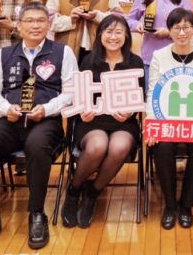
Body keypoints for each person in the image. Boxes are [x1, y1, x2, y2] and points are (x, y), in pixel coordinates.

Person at [0, 3, 78, 254]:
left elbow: (71, 91)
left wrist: (46, 109)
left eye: (40, 20)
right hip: (10, 120)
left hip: (46, 121)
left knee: (37, 146)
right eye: (29, 21)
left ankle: (37, 213)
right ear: (19, 25)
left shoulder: (63, 52)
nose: (35, 25)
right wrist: (6, 108)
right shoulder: (4, 54)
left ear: (48, 24)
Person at [61, 15, 145, 228]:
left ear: (126, 36)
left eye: (118, 32)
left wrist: (130, 111)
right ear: (100, 35)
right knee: (98, 145)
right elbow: (80, 94)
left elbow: (141, 96)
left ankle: (92, 192)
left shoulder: (135, 62)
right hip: (92, 121)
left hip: (123, 122)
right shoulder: (88, 60)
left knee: (119, 147)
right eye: (108, 32)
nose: (113, 37)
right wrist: (84, 110)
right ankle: (74, 190)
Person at [146, 7, 193, 230]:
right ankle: (169, 205)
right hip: (166, 119)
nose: (182, 32)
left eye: (187, 27)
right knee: (162, 146)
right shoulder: (159, 56)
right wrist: (152, 125)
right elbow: (152, 92)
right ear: (169, 30)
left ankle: (186, 204)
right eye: (177, 28)